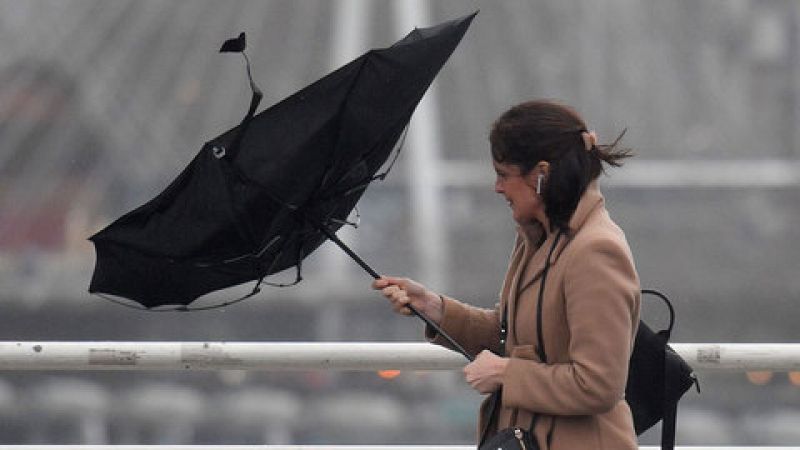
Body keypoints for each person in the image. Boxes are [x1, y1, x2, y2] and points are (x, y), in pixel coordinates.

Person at [373, 100, 641, 450]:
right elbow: (513, 337)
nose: (497, 187)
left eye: (503, 174)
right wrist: (435, 308)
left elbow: (599, 384)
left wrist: (505, 373)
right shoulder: (538, 238)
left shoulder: (595, 251)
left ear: (540, 173)